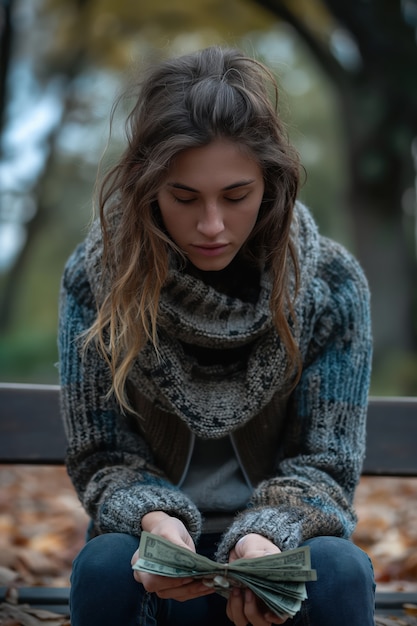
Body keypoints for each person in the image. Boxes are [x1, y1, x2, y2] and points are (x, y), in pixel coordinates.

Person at [58, 46, 375, 626]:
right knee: (105, 567)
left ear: (271, 183)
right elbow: (103, 456)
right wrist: (155, 523)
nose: (211, 225)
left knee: (342, 572)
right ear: (147, 186)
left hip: (284, 537)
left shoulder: (329, 284)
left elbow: (325, 464)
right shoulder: (95, 279)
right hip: (149, 542)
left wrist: (266, 537)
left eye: (235, 197)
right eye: (184, 197)